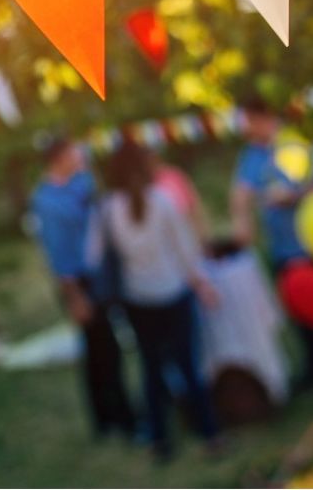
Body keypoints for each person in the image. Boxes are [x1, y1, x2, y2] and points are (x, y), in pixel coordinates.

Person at [90, 139, 222, 459]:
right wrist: (201, 284)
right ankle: (209, 434)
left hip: (137, 300)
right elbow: (184, 250)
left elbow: (93, 257)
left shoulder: (106, 209)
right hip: (174, 293)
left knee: (151, 370)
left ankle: (160, 441)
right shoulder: (162, 201)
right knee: (188, 366)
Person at [31, 136, 136, 439]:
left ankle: (119, 414)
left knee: (110, 349)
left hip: (102, 275)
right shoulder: (46, 200)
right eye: (73, 152)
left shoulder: (83, 182)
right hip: (79, 282)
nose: (80, 155)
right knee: (98, 351)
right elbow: (57, 253)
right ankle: (111, 418)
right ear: (59, 158)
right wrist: (74, 297)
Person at [229, 98, 313, 389]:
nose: (245, 129)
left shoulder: (299, 143)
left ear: (264, 117)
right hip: (281, 248)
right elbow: (241, 193)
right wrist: (242, 221)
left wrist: (295, 197)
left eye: (248, 121)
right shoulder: (252, 155)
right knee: (299, 311)